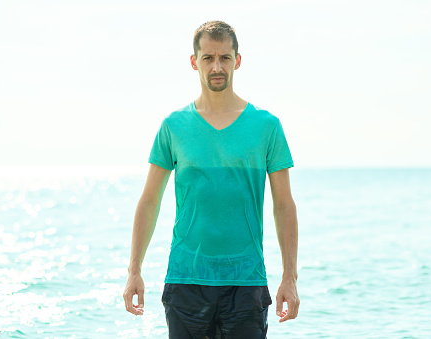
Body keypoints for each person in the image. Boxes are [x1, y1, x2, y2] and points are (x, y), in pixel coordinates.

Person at [123, 20, 299, 338]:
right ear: (195, 62)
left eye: (225, 57)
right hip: (185, 281)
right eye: (208, 58)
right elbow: (149, 200)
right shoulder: (173, 126)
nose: (217, 66)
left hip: (247, 282)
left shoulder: (266, 126)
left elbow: (284, 205)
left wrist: (290, 277)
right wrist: (134, 270)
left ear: (237, 60)